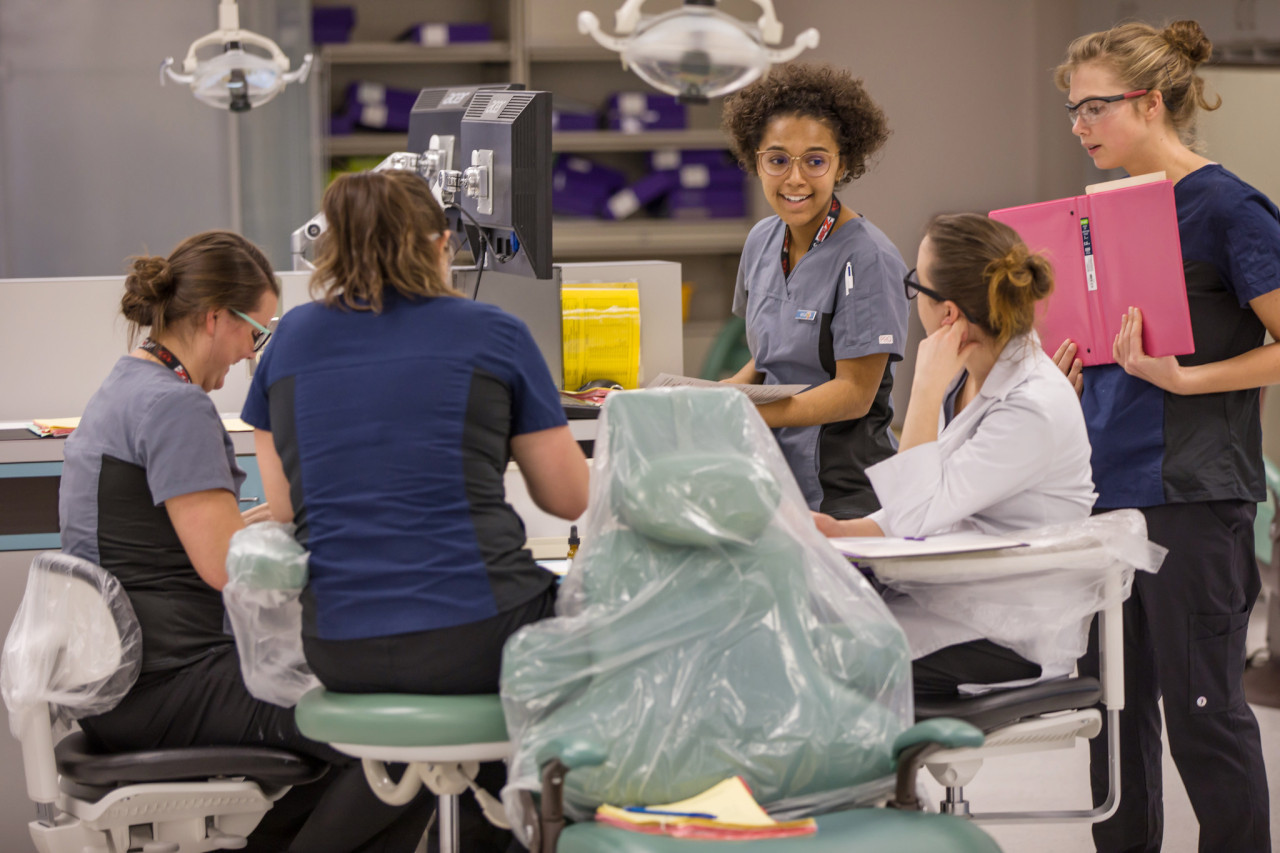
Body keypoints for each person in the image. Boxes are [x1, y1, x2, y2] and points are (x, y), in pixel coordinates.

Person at [242, 171, 589, 849]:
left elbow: (282, 504)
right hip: (482, 637)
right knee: (601, 648)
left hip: (341, 646)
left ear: (332, 250)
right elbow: (569, 497)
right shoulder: (494, 332)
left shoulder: (287, 341)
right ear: (442, 244)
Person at [59, 231, 431, 853]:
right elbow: (228, 568)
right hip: (171, 683)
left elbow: (188, 537)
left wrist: (270, 521)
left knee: (364, 734)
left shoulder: (127, 385)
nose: (251, 357)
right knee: (402, 736)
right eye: (254, 335)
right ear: (214, 319)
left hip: (130, 683)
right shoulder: (176, 408)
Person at [1051, 19, 1274, 853]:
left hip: (1192, 496)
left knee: (1204, 722)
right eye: (1071, 110)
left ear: (1148, 103)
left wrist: (1184, 378)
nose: (1079, 125)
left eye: (1093, 108)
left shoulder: (1227, 206)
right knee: (1110, 719)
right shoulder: (1093, 217)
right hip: (1101, 498)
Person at [813, 214, 1096, 695]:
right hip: (958, 598)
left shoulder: (1031, 407)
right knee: (809, 631)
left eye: (914, 286)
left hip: (1011, 633)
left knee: (825, 665)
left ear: (948, 315)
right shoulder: (973, 374)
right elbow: (932, 500)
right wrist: (843, 531)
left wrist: (922, 389)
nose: (911, 300)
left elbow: (917, 513)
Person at [720, 63, 910, 518]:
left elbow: (854, 394)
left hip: (844, 491)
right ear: (755, 159)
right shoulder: (762, 239)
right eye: (778, 159)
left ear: (842, 163)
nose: (795, 179)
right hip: (772, 477)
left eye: (815, 160)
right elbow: (769, 356)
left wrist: (755, 413)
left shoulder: (868, 258)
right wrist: (715, 396)